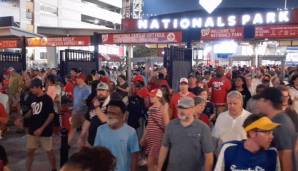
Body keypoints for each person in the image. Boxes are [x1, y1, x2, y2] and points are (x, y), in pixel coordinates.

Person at [157, 96, 214, 171]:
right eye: (179, 107)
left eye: (185, 108)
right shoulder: (171, 125)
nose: (181, 111)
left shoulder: (203, 128)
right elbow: (164, 147)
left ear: (193, 109)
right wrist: (158, 168)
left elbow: (209, 155)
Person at [214, 114, 280, 171]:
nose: (272, 136)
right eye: (267, 132)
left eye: (272, 132)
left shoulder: (272, 153)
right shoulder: (229, 149)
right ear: (252, 133)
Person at [257, 87, 297, 171]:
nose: (257, 103)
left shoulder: (281, 123)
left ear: (267, 102)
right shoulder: (274, 119)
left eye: (260, 100)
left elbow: (286, 155)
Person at [94, 100, 140, 171]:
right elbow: (96, 153)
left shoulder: (131, 132)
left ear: (123, 115)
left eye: (114, 113)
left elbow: (134, 156)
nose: (110, 116)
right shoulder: (100, 130)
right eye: (108, 113)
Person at [23, 79, 57, 171]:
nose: (31, 90)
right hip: (32, 130)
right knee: (30, 152)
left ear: (39, 87)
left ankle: (54, 168)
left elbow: (51, 115)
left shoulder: (47, 99)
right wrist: (22, 118)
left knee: (49, 152)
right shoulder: (31, 97)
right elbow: (31, 111)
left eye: (33, 88)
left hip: (45, 131)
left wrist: (42, 128)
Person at [141, 89, 169, 171]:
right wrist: (144, 137)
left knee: (153, 165)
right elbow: (149, 125)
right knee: (152, 165)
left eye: (153, 96)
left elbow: (167, 126)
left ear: (159, 97)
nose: (150, 97)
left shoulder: (162, 108)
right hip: (151, 140)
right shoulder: (151, 108)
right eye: (150, 95)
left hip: (158, 141)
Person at [78, 82, 110, 147]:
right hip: (93, 141)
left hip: (107, 142)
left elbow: (105, 120)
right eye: (98, 90)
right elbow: (88, 120)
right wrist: (82, 135)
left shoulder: (112, 104)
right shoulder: (94, 103)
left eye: (103, 90)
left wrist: (97, 108)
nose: (100, 93)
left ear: (108, 92)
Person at [69, 74, 91, 145]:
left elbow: (86, 101)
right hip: (76, 112)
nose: (76, 80)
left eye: (78, 78)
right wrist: (73, 109)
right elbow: (75, 100)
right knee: (72, 128)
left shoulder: (87, 89)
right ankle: (66, 145)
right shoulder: (76, 88)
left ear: (82, 79)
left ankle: (85, 146)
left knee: (85, 131)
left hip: (84, 113)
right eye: (76, 78)